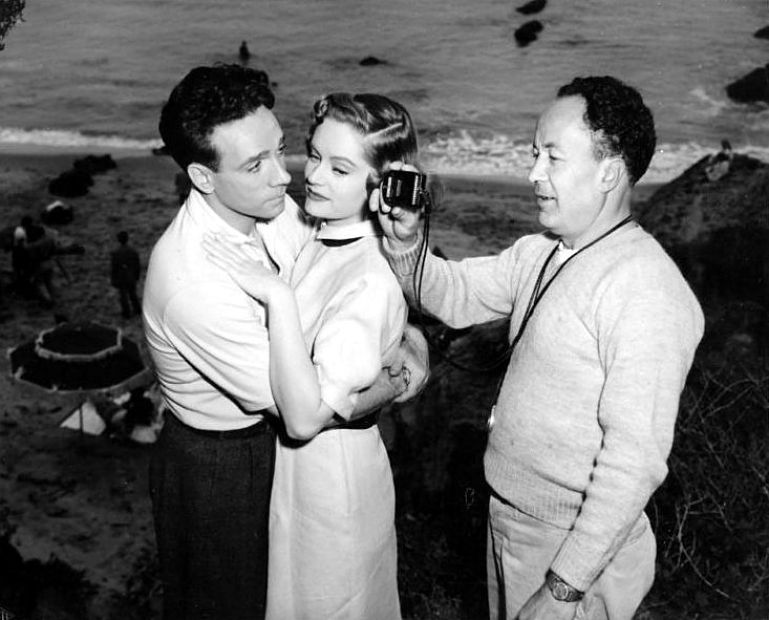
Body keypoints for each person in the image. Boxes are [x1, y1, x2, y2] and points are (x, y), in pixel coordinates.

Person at [372, 76, 705, 620]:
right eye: (533, 154)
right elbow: (452, 293)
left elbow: (633, 463)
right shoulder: (543, 250)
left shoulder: (647, 289)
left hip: (570, 550)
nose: (533, 173)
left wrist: (562, 589)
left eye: (553, 157)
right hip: (510, 521)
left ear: (609, 172)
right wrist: (407, 240)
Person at [143, 64, 427, 620]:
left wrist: (404, 335)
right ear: (203, 177)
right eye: (256, 164)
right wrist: (397, 377)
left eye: (281, 150)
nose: (286, 177)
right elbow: (305, 412)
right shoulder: (193, 283)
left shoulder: (265, 209)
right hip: (223, 467)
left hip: (277, 454)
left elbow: (349, 281)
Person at [110, 230, 142, 318]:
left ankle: (126, 313)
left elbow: (114, 268)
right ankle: (137, 310)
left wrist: (113, 279)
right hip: (131, 276)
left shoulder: (116, 253)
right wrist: (137, 276)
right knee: (133, 294)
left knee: (123, 296)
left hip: (121, 277)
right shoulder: (133, 251)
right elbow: (137, 265)